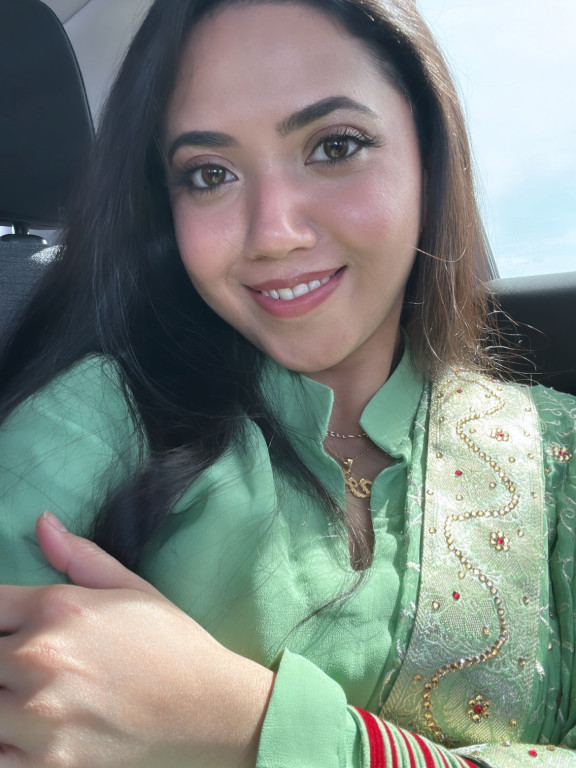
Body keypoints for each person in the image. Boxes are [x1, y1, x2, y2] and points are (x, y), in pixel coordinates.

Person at [0, 0, 574, 765]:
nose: (273, 233)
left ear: (429, 156)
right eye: (210, 174)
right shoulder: (93, 423)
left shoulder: (557, 455)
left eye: (335, 147)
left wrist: (248, 726)